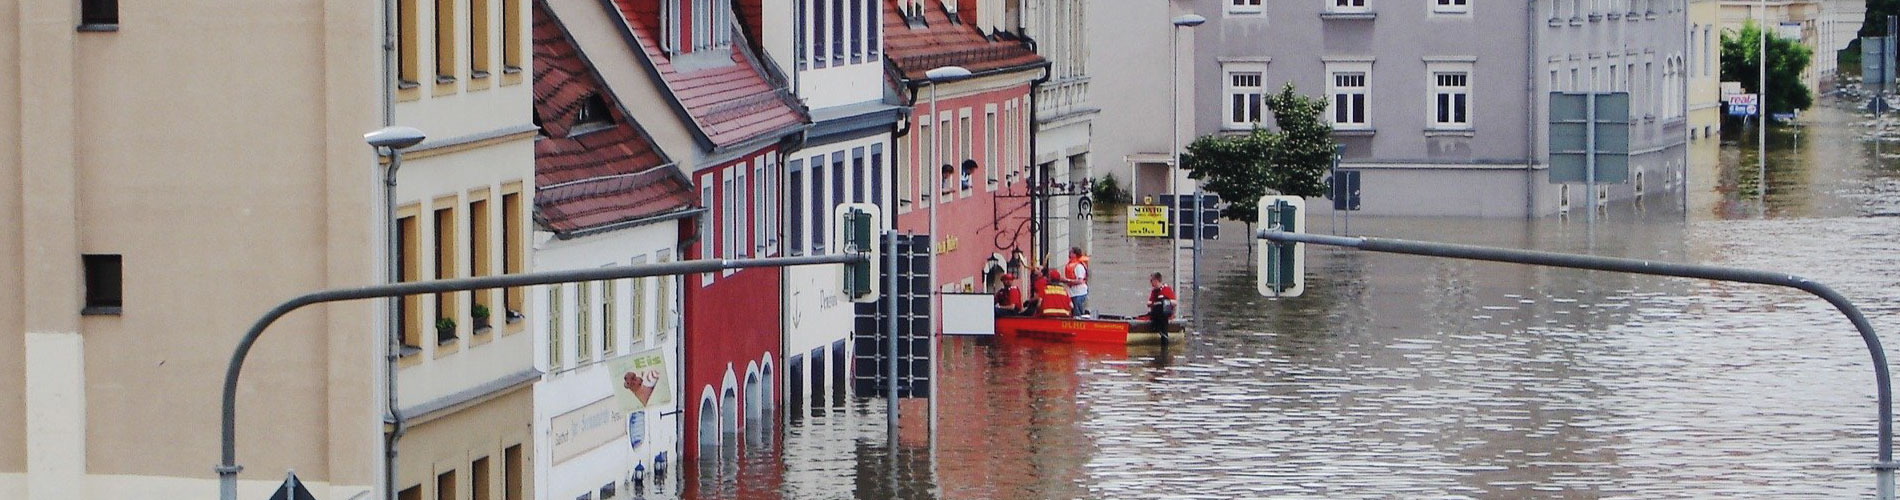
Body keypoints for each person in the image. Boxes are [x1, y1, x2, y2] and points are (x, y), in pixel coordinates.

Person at [1059, 247, 1090, 317]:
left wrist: (1067, 280)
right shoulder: (1071, 264)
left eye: (1071, 252)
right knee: (1074, 312)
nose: (1069, 254)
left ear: (1075, 255)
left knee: (1078, 312)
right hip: (1073, 293)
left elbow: (1080, 280)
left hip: (1079, 293)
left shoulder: (1078, 266)